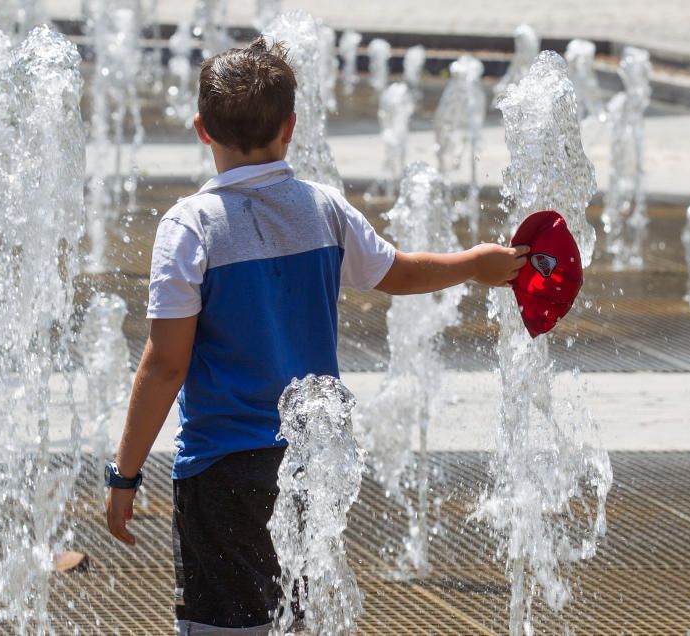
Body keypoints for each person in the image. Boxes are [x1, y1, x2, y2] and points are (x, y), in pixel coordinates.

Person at [104, 37, 528, 635]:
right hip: (309, 461)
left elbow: (166, 363)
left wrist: (124, 471)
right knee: (294, 620)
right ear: (290, 127)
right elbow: (398, 272)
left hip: (224, 468)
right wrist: (475, 264)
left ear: (202, 129)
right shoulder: (323, 208)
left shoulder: (190, 227)